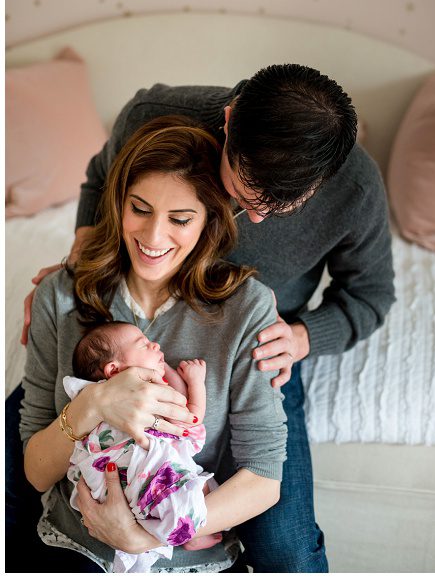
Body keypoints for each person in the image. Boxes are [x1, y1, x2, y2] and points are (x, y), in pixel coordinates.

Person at [9, 64, 395, 572]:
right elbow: (103, 177)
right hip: (114, 327)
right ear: (229, 123)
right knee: (18, 495)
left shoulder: (354, 190)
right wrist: (86, 255)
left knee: (289, 551)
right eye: (246, 190)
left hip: (256, 346)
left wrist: (300, 338)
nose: (256, 219)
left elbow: (370, 297)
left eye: (281, 206)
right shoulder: (154, 119)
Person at [20, 119, 287, 572]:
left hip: (189, 549)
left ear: (209, 222)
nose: (153, 237)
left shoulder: (248, 309)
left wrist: (147, 535)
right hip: (77, 543)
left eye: (180, 219)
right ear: (118, 202)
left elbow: (264, 477)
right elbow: (36, 469)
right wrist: (95, 404)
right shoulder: (60, 296)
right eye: (139, 209)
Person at [67, 322, 215, 571]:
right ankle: (191, 533)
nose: (155, 344)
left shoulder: (88, 397)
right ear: (114, 370)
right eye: (144, 345)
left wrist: (159, 364)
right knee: (201, 489)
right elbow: (190, 417)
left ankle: (157, 532)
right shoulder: (141, 393)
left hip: (107, 489)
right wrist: (196, 382)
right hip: (143, 476)